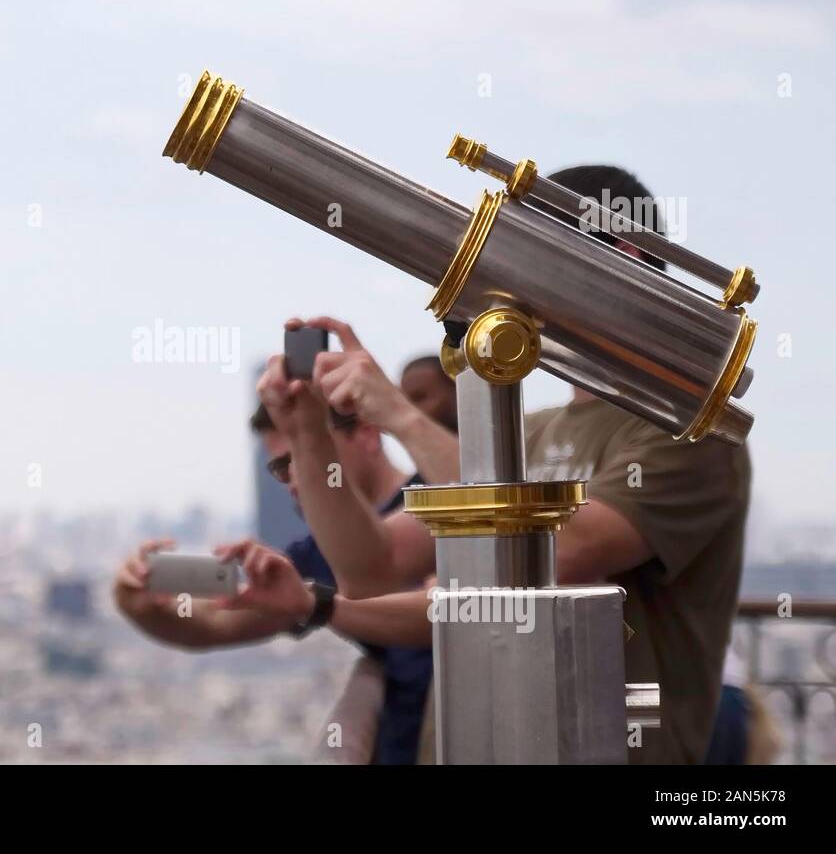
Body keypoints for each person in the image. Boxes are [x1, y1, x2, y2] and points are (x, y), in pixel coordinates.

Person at [247, 165, 752, 765]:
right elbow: (373, 567)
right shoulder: (527, 435)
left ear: (620, 254)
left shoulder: (692, 435)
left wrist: (399, 416)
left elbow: (556, 552)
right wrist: (308, 436)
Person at [112, 372, 454, 764]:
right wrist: (139, 603)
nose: (295, 478)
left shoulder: (439, 509)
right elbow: (216, 623)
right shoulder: (321, 552)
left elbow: (436, 611)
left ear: (366, 434)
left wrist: (319, 605)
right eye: (280, 468)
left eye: (307, 451)